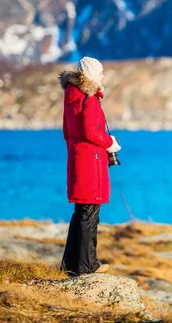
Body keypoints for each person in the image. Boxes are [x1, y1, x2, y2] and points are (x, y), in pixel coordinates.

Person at [57, 56, 121, 276]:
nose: (103, 76)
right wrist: (110, 143)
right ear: (92, 75)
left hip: (77, 157)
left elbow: (68, 132)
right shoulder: (90, 100)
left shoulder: (72, 97)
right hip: (91, 161)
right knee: (90, 214)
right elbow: (92, 131)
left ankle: (70, 264)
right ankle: (87, 266)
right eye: (101, 72)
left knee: (80, 212)